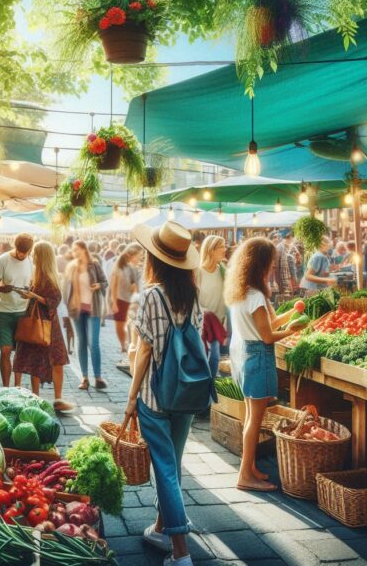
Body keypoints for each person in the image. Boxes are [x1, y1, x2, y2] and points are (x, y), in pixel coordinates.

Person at [126, 221, 202, 566]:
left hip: (155, 397)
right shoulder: (190, 293)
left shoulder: (151, 296)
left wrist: (130, 400)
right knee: (174, 464)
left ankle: (181, 551)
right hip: (185, 394)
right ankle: (161, 527)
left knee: (165, 469)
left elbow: (143, 352)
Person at [224, 237, 306, 492]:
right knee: (254, 421)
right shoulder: (256, 296)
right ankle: (244, 476)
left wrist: (292, 313)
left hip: (246, 355)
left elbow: (268, 324)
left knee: (251, 416)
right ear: (259, 264)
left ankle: (249, 468)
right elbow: (268, 336)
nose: (272, 268)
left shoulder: (241, 292)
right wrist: (293, 330)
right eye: (270, 263)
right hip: (258, 356)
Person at [12, 241, 76, 413]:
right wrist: (29, 293)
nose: (33, 255)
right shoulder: (38, 274)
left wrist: (33, 295)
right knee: (36, 360)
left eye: (36, 253)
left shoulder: (49, 277)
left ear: (42, 256)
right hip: (37, 322)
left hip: (47, 324)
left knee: (57, 360)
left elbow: (54, 301)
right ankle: (37, 397)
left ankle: (57, 398)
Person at [64, 240, 109, 390]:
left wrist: (99, 285)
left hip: (93, 309)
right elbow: (66, 289)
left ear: (84, 249)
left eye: (77, 249)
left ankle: (98, 377)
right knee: (81, 341)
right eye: (73, 250)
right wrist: (67, 306)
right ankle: (84, 378)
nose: (74, 252)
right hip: (76, 309)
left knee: (93, 342)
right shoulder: (71, 267)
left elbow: (104, 282)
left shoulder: (94, 264)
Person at [0, 234, 35, 387]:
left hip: (23, 312)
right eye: (19, 252)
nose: (22, 255)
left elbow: (34, 286)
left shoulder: (32, 262)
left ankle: (17, 387)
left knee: (20, 353)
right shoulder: (2, 260)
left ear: (30, 249)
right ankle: (6, 387)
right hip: (4, 311)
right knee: (5, 350)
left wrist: (30, 292)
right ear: (15, 247)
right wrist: (3, 288)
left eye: (25, 252)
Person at [196, 235, 228, 376]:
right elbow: (193, 299)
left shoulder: (222, 269)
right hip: (203, 324)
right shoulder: (198, 272)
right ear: (211, 250)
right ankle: (206, 388)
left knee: (214, 358)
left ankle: (210, 388)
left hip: (218, 323)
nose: (224, 249)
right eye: (221, 247)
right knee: (210, 357)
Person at [109, 243, 143, 351]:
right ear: (130, 255)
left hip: (131, 301)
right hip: (120, 300)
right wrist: (114, 303)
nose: (141, 258)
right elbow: (113, 286)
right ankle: (123, 345)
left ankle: (129, 345)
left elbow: (135, 287)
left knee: (131, 325)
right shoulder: (118, 267)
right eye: (139, 255)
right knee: (120, 326)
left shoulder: (135, 268)